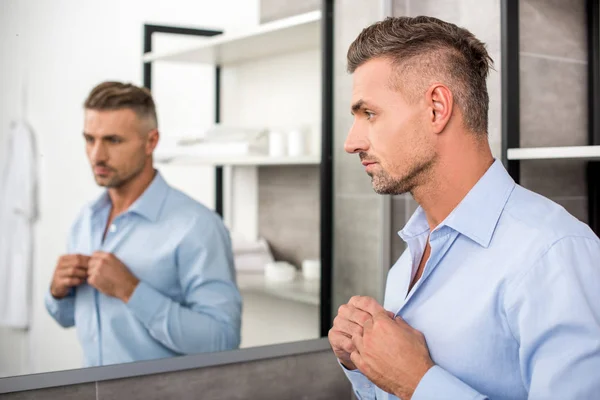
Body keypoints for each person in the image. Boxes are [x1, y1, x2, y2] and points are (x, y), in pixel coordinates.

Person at [328, 16, 600, 400]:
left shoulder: (554, 256)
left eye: (369, 114)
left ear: (437, 108)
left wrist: (419, 382)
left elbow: (412, 385)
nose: (351, 142)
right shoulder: (406, 263)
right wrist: (363, 365)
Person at [45, 81, 242, 367]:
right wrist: (56, 292)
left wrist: (132, 291)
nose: (96, 155)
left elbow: (223, 340)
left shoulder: (198, 227)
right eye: (89, 139)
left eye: (113, 140)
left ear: (151, 141)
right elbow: (68, 318)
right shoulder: (85, 220)